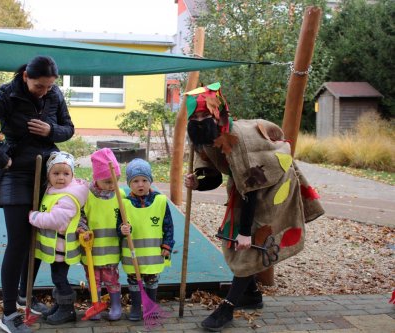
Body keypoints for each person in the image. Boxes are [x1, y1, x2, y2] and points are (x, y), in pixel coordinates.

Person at [183, 83, 324, 332]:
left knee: (252, 241)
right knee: (233, 235)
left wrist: (246, 232)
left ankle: (227, 307)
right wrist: (197, 183)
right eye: (195, 116)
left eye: (205, 115)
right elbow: (214, 178)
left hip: (272, 183)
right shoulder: (201, 137)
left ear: (219, 114)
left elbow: (252, 189)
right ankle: (251, 295)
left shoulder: (241, 142)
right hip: (244, 186)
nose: (199, 120)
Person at [0, 55, 74, 333]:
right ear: (26, 76)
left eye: (49, 86)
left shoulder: (55, 94)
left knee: (40, 236)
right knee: (18, 242)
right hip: (16, 174)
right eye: (40, 86)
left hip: (48, 174)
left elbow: (68, 129)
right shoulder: (7, 94)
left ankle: (25, 295)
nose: (45, 91)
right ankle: (8, 313)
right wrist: (1, 160)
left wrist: (51, 129)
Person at [28, 151, 88, 325]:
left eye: (66, 173)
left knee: (59, 278)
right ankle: (59, 305)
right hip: (57, 248)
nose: (61, 177)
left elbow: (56, 220)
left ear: (72, 175)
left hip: (63, 248)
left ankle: (67, 309)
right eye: (56, 173)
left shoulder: (68, 197)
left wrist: (34, 217)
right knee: (57, 277)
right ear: (48, 175)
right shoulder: (54, 190)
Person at [117, 158, 175, 321]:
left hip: (153, 254)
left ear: (150, 181)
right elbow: (118, 227)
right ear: (129, 183)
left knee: (152, 280)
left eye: (144, 180)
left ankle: (150, 307)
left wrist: (167, 245)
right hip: (133, 254)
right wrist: (122, 229)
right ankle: (136, 307)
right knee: (134, 281)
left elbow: (168, 226)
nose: (140, 184)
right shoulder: (125, 203)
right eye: (135, 181)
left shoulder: (160, 201)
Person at [77, 148, 125, 321]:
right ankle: (95, 304)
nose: (113, 185)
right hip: (91, 250)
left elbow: (125, 219)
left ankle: (116, 304)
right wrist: (82, 229)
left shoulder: (121, 195)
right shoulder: (86, 195)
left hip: (111, 250)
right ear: (96, 178)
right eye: (107, 181)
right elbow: (80, 216)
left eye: (116, 180)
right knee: (93, 280)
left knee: (112, 280)